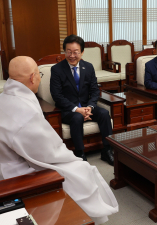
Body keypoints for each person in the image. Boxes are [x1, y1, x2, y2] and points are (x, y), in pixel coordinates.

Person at [0, 56, 118, 224]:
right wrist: (72, 158)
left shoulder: (0, 100)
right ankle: (79, 217)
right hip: (13, 174)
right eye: (39, 75)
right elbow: (49, 151)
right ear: (32, 78)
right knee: (80, 169)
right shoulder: (23, 110)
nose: (39, 78)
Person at [50, 34, 114, 165]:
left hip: (86, 106)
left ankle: (107, 150)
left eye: (76, 52)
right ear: (64, 51)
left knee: (104, 114)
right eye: (69, 52)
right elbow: (57, 95)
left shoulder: (88, 67)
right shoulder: (57, 69)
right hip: (68, 110)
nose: (72, 55)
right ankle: (80, 153)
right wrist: (77, 109)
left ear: (82, 52)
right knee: (77, 117)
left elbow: (95, 90)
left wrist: (90, 107)